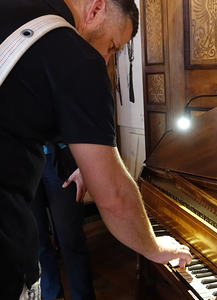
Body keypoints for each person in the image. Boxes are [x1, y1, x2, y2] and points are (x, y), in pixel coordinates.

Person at [0, 0, 192, 299]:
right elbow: (114, 197)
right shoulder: (78, 57)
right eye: (112, 46)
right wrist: (155, 248)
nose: (104, 59)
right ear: (97, 8)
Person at [30, 143, 95, 300]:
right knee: (37, 243)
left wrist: (83, 164)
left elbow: (83, 120)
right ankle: (53, 296)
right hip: (20, 163)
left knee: (71, 240)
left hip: (64, 156)